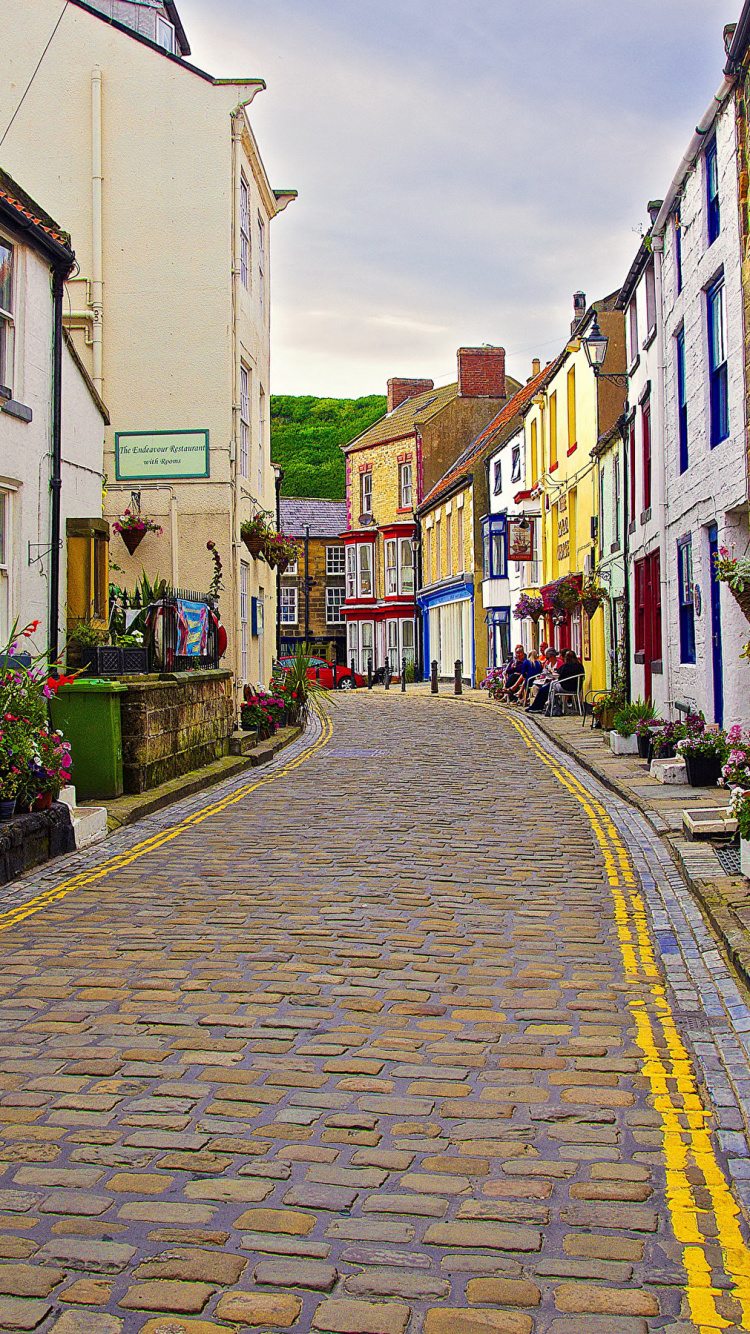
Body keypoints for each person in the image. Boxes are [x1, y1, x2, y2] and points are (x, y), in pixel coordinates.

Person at [526, 647, 559, 712]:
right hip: (546, 680)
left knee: (542, 689)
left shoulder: (559, 663)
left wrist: (551, 671)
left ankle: (538, 706)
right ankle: (538, 704)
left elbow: (558, 674)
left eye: (548, 658)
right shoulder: (547, 663)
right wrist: (541, 678)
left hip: (554, 682)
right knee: (535, 687)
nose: (547, 660)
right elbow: (544, 672)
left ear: (552, 657)